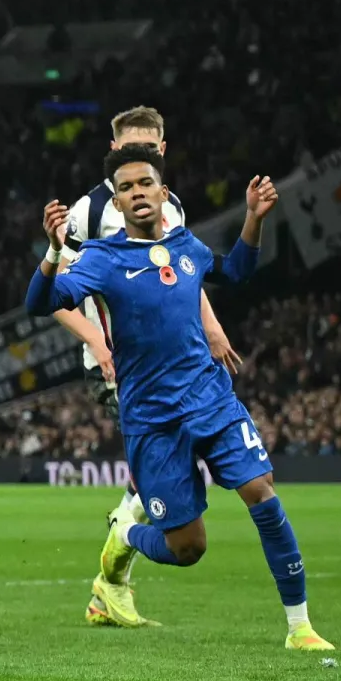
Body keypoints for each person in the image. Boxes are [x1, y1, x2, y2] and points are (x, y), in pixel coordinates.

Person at [26, 144, 334, 651]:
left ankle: (299, 627)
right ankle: (127, 535)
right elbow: (40, 304)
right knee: (189, 548)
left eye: (145, 183)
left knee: (262, 491)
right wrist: (55, 251)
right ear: (118, 205)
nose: (136, 193)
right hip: (152, 421)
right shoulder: (100, 260)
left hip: (210, 400)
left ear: (162, 193)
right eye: (125, 189)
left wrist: (254, 219)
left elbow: (235, 272)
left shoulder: (187, 246)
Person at [44, 106, 242, 627]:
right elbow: (55, 295)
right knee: (155, 468)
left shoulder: (168, 203)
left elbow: (180, 269)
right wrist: (100, 346)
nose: (142, 161)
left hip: (178, 360)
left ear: (162, 152)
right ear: (113, 154)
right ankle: (113, 573)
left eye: (151, 151)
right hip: (119, 364)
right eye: (131, 150)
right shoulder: (88, 213)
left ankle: (110, 582)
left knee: (165, 471)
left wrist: (213, 328)